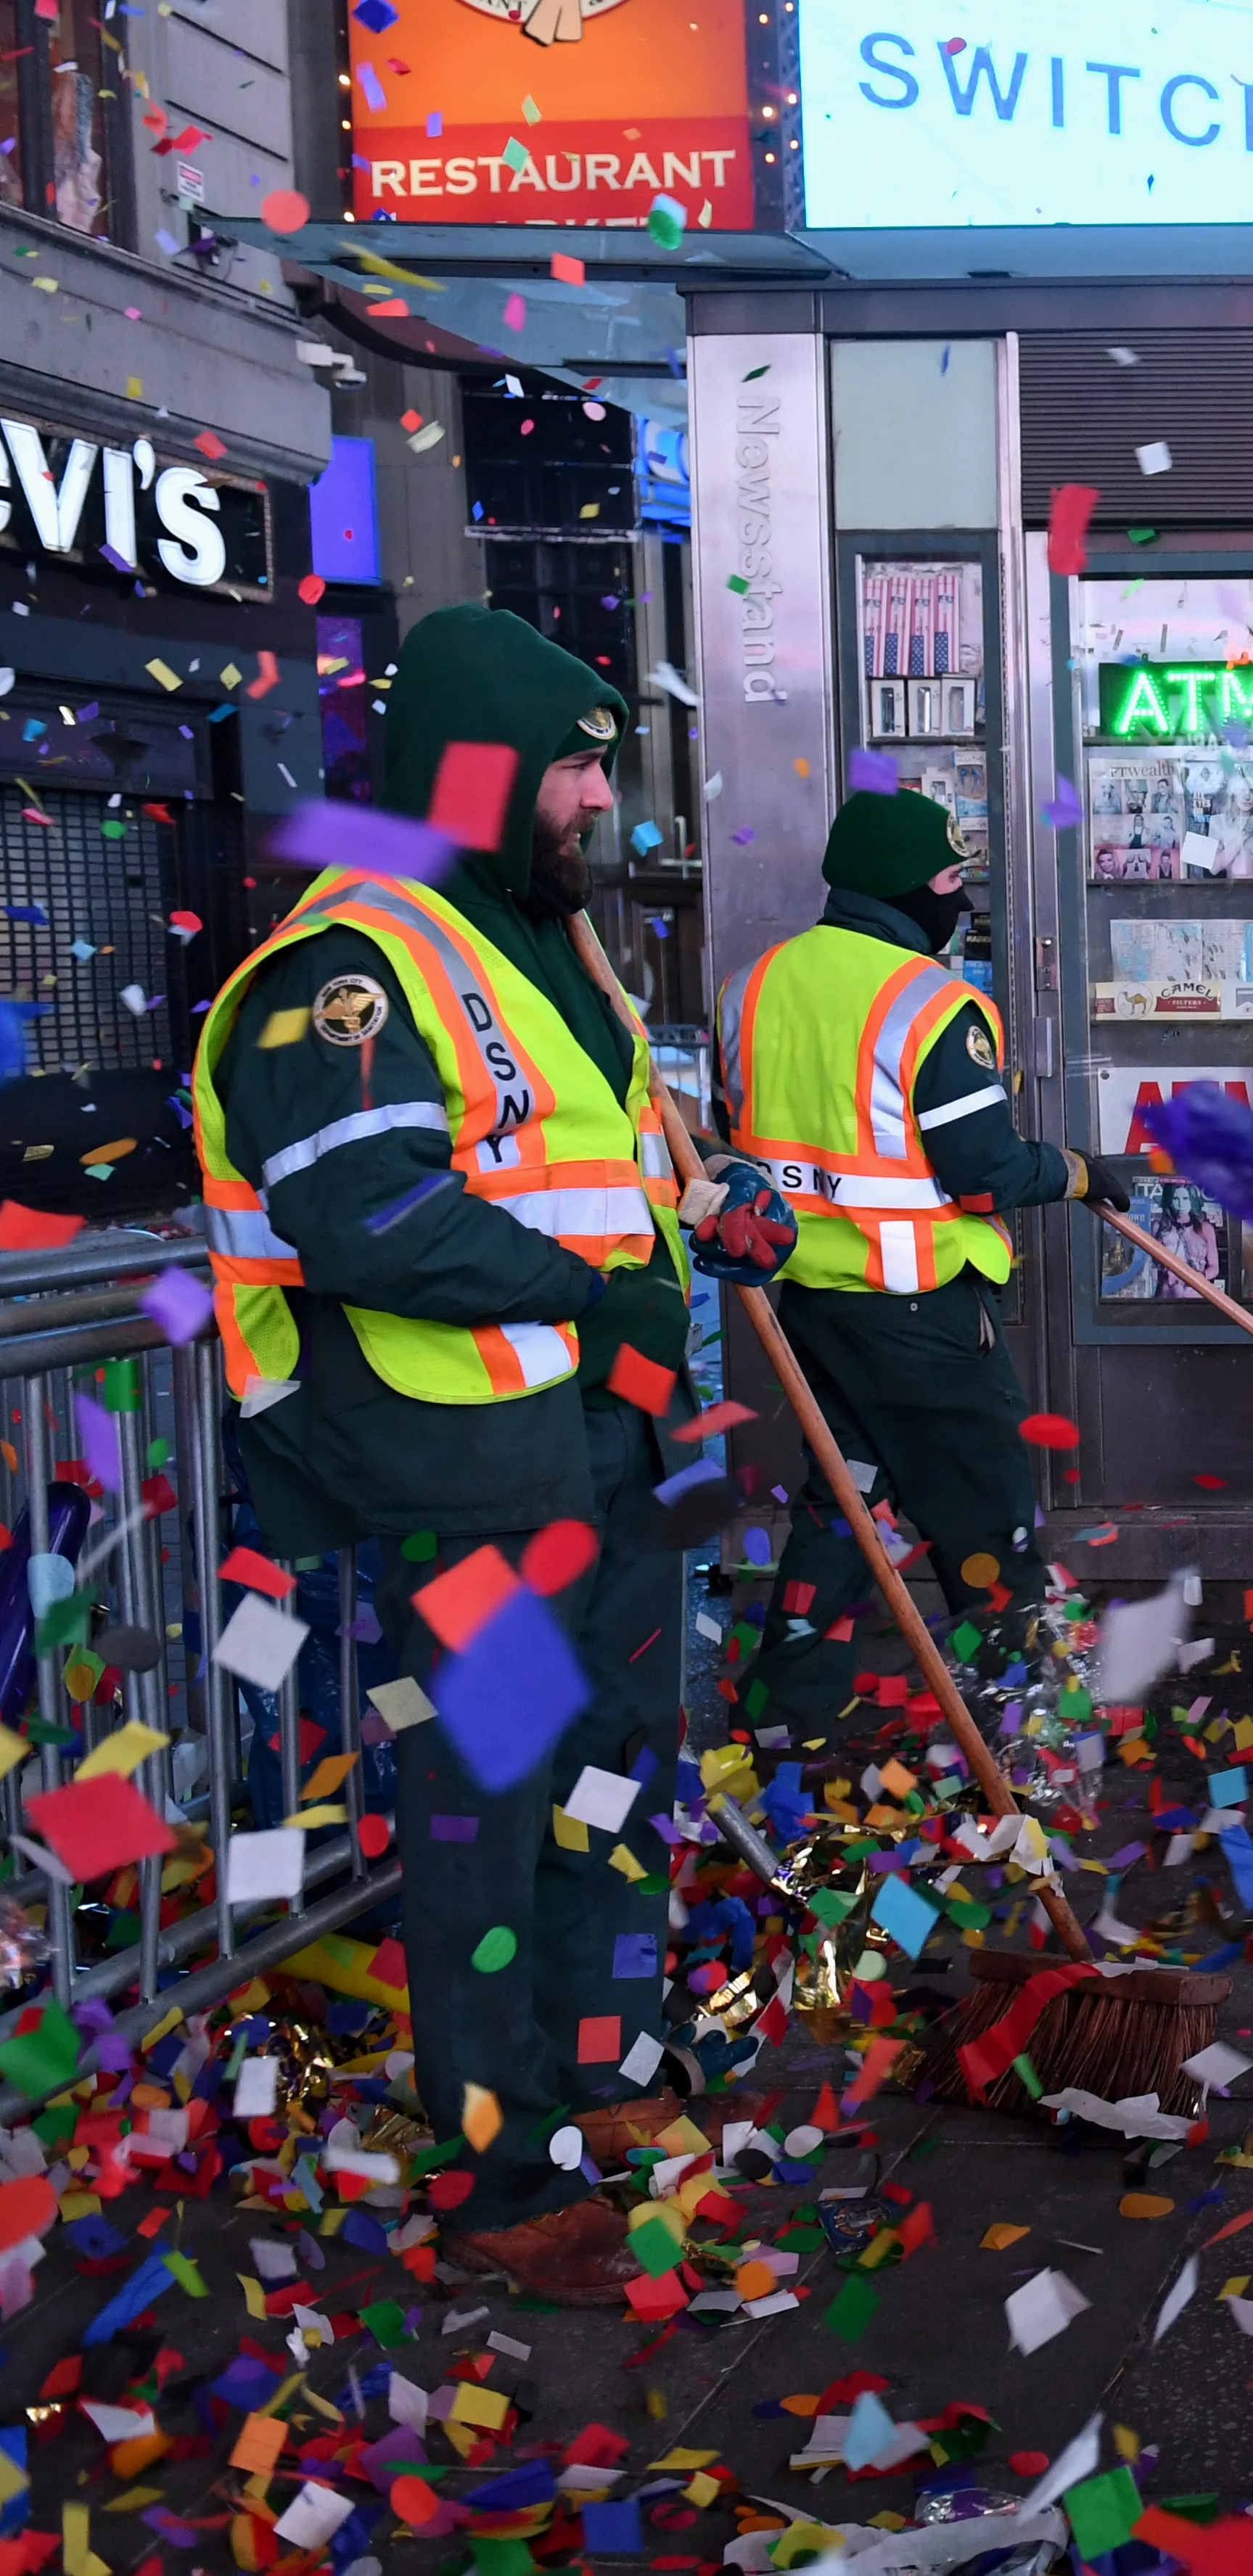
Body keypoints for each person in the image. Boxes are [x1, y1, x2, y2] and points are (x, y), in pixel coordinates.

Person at [193, 605, 727, 2302]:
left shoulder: (548, 959)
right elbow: (371, 1221)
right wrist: (596, 1289)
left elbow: (612, 1181)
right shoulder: (335, 974)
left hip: (595, 1436)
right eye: (574, 765)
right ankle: (504, 2166)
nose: (600, 800)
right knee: (494, 1795)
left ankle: (603, 2069)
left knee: (620, 1759)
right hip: (454, 1449)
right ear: (478, 769)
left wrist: (724, 1225)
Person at [718, 789, 1122, 1739]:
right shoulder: (930, 1002)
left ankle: (787, 1715)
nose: (961, 903)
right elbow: (980, 1170)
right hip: (922, 1316)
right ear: (906, 888)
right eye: (951, 881)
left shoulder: (755, 984)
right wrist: (1077, 1172)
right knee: (987, 1517)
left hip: (814, 1303)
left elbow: (750, 1142)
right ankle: (1032, 1728)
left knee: (844, 1503)